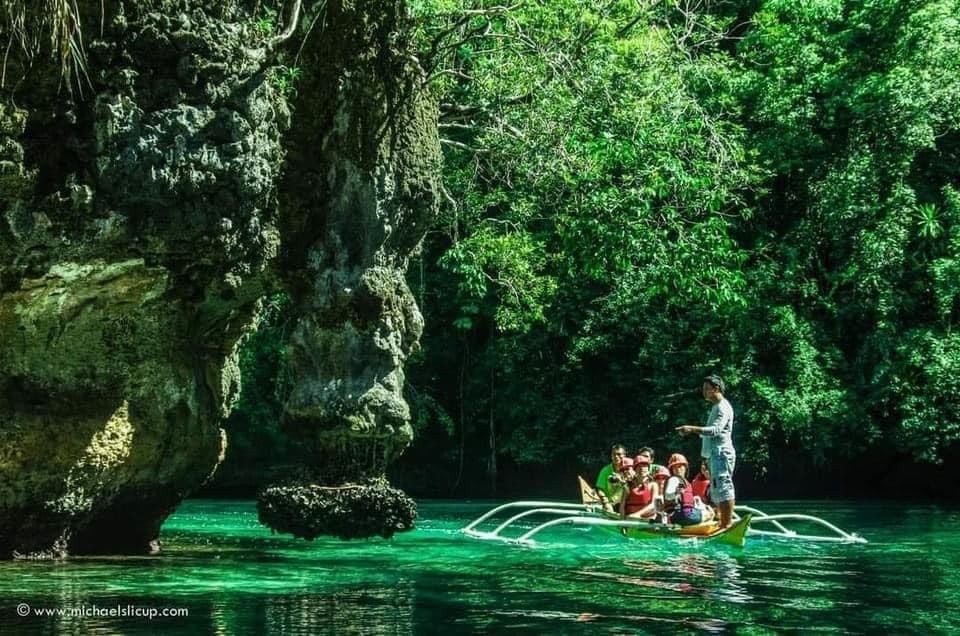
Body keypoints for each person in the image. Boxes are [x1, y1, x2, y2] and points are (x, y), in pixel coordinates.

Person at [676, 374, 736, 528]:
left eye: (706, 389)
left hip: (722, 453)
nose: (703, 392)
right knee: (717, 489)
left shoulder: (722, 406)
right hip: (715, 454)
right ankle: (722, 521)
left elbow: (715, 430)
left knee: (724, 487)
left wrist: (691, 429)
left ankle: (727, 524)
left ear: (716, 388)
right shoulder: (716, 407)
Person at [663, 453, 715, 526]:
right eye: (674, 467)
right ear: (672, 470)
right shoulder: (674, 479)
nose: (678, 469)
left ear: (685, 467)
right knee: (710, 513)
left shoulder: (683, 482)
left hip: (675, 517)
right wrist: (676, 493)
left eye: (680, 466)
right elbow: (668, 495)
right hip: (685, 515)